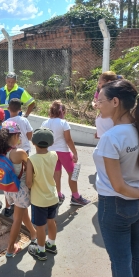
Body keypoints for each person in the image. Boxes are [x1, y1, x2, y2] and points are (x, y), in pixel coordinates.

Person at [93, 80, 139, 277]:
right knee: (135, 257)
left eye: (100, 100)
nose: (97, 104)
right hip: (135, 204)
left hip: (114, 205)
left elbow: (118, 186)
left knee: (121, 263)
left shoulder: (111, 137)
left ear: (115, 102)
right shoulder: (135, 130)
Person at [0, 121, 37, 257]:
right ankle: (10, 248)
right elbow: (31, 167)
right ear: (14, 136)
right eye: (18, 135)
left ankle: (33, 234)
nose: (19, 138)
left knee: (23, 214)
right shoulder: (19, 153)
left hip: (9, 189)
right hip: (20, 189)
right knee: (17, 218)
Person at [41, 100, 90, 206]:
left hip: (51, 152)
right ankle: (75, 197)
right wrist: (75, 153)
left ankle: (58, 195)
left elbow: (42, 139)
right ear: (62, 111)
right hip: (63, 152)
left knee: (56, 174)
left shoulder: (44, 123)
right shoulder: (63, 123)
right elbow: (68, 140)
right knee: (73, 174)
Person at [26, 128, 59, 261]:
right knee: (51, 221)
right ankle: (51, 244)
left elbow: (28, 182)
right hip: (52, 196)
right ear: (50, 143)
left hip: (39, 199)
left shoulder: (31, 159)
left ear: (33, 143)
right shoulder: (54, 155)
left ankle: (40, 251)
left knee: (40, 226)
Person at [92, 71, 117, 139]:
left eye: (100, 83)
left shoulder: (113, 94)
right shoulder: (101, 91)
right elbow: (94, 100)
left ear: (108, 82)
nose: (98, 85)